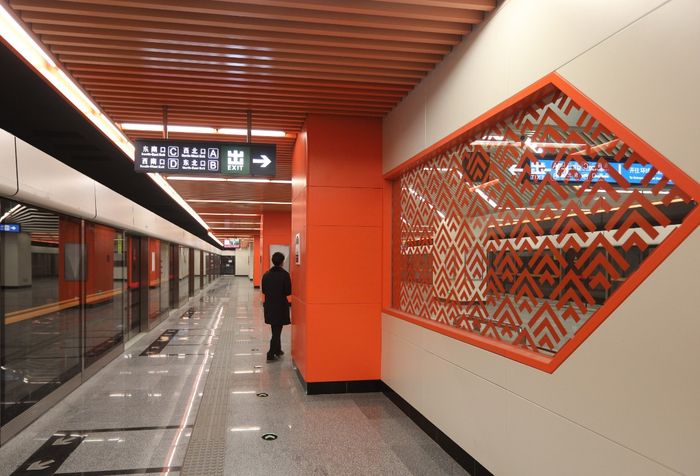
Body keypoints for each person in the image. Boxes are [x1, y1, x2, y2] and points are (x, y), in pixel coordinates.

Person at [261, 252, 291, 362]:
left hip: (269, 305)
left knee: (275, 328)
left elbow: (264, 290)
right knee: (277, 330)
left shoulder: (266, 275)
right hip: (280, 305)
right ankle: (271, 353)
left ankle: (278, 350)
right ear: (282, 262)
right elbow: (288, 291)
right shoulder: (284, 275)